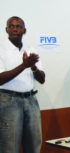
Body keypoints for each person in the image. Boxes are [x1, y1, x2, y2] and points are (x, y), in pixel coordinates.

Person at [0, 16, 45, 153]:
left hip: (31, 100)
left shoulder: (31, 49)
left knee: (34, 145)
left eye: (18, 26)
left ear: (24, 30)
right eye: (11, 26)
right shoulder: (1, 49)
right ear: (6, 29)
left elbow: (42, 79)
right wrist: (24, 65)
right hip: (9, 101)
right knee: (9, 147)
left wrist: (33, 67)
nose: (15, 29)